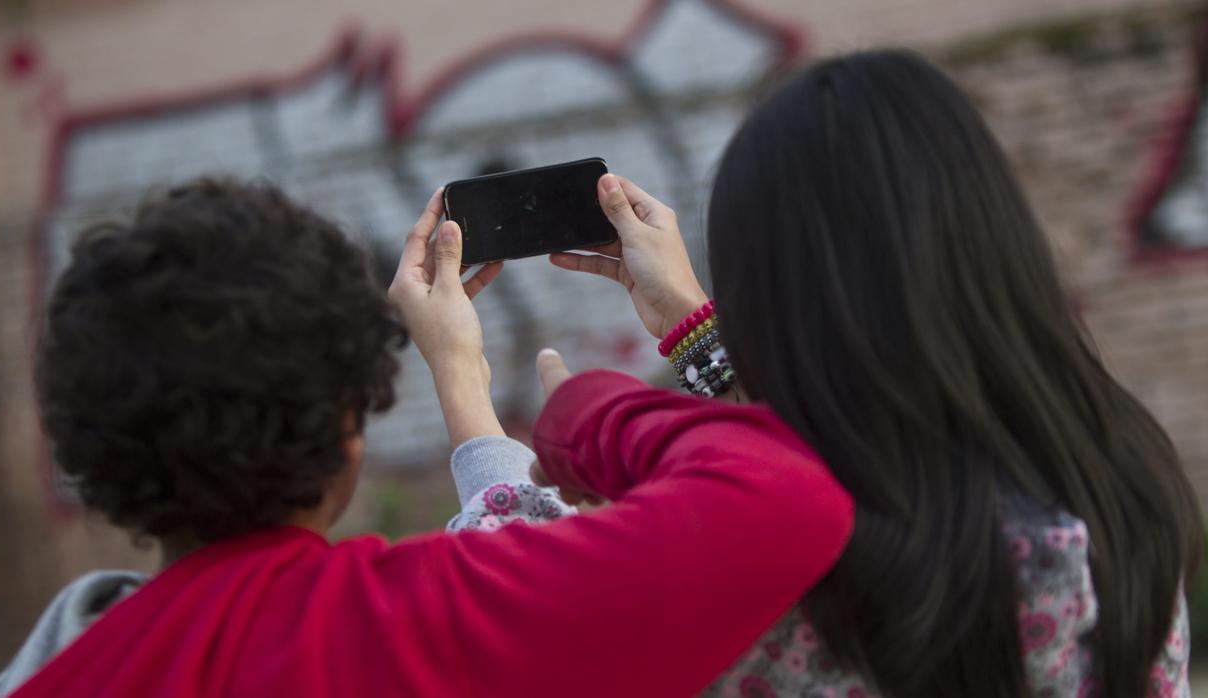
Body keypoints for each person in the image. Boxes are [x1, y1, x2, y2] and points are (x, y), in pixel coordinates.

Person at [474, 50, 1201, 697]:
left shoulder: (790, 573)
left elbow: (518, 642)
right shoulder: (1121, 483)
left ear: (780, 305)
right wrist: (697, 332)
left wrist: (465, 391)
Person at [0, 179, 853, 697]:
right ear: (348, 423)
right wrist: (585, 410)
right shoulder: (424, 624)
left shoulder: (52, 676)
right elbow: (788, 495)